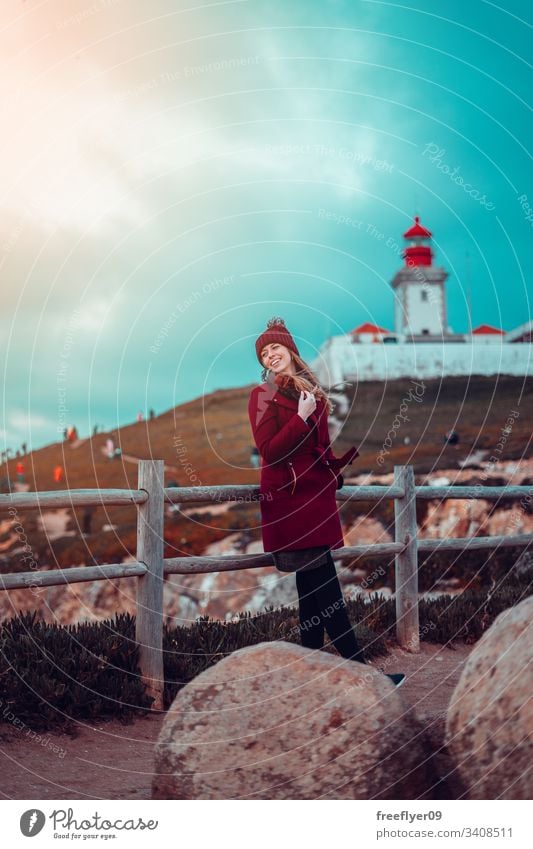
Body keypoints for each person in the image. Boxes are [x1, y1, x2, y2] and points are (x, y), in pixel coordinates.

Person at [248, 317, 405, 687]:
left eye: (275, 348)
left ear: (291, 350)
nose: (271, 355)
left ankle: (311, 675)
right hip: (289, 501)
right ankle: (366, 676)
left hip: (314, 498)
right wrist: (300, 419)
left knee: (312, 593)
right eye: (264, 352)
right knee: (328, 593)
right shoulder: (262, 396)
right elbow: (269, 451)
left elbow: (319, 446)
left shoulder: (312, 392)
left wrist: (333, 472)